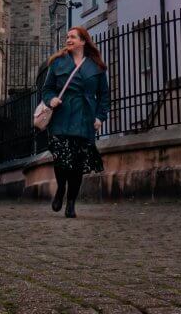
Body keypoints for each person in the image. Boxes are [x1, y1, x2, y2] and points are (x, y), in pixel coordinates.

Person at [41, 26, 110, 218]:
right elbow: (46, 89)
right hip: (61, 115)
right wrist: (51, 99)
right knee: (61, 159)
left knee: (77, 164)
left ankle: (71, 202)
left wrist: (100, 117)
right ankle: (61, 188)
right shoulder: (57, 63)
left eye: (73, 37)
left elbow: (104, 96)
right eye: (67, 37)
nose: (68, 40)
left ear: (83, 41)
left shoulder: (96, 66)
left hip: (84, 118)